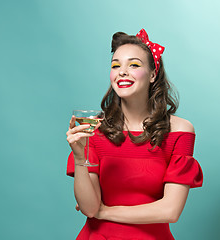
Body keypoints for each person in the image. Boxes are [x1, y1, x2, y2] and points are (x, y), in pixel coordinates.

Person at [66, 29, 203, 240]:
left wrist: (105, 211)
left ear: (152, 74)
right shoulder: (94, 129)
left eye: (134, 65)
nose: (122, 71)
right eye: (115, 65)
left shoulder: (180, 131)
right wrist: (79, 157)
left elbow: (170, 211)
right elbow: (90, 208)